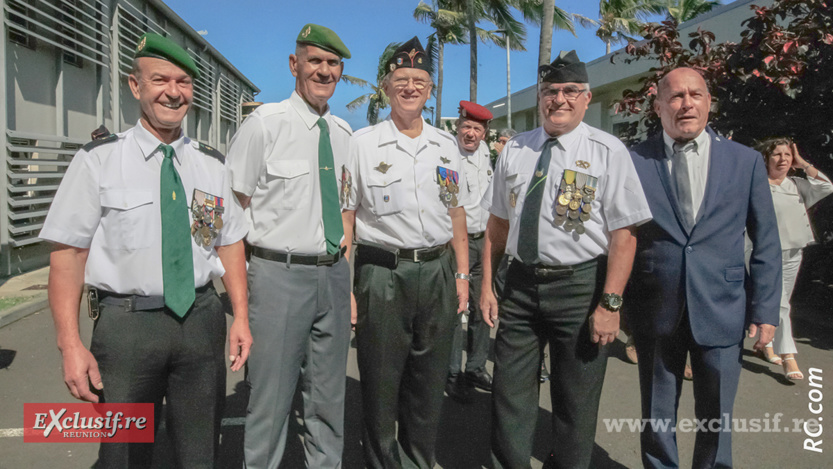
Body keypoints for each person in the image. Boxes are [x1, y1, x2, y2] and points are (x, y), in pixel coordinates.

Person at [41, 32, 251, 467]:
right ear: (136, 87)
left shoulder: (211, 164)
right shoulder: (98, 160)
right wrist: (70, 344)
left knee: (199, 452)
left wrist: (241, 319)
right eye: (160, 80)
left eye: (183, 82)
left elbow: (230, 243)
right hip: (127, 329)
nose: (173, 93)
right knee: (125, 453)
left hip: (200, 320)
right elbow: (68, 255)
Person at [480, 50, 652, 469]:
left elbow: (624, 236)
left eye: (569, 90)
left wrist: (610, 305)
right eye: (550, 91)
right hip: (519, 285)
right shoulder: (516, 149)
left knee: (575, 401)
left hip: (579, 286)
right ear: (541, 97)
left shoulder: (607, 150)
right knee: (509, 394)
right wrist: (486, 285)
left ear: (586, 98)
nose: (559, 99)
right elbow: (497, 226)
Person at [627, 67, 782, 469]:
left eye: (696, 94)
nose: (686, 104)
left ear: (709, 102)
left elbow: (766, 240)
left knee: (717, 415)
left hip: (722, 304)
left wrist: (765, 310)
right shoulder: (632, 162)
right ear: (658, 105)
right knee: (657, 412)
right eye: (676, 96)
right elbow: (619, 237)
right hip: (656, 305)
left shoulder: (745, 161)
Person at [225, 24, 353, 469]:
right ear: (294, 64)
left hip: (333, 274)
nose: (324, 70)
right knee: (271, 400)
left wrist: (346, 276)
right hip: (277, 276)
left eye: (333, 63)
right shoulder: (264, 125)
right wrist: (240, 302)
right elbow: (232, 215)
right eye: (314, 60)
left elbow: (345, 208)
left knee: (327, 399)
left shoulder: (342, 133)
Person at [342, 36, 470, 468]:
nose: (410, 87)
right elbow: (346, 217)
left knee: (429, 384)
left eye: (419, 80)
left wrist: (464, 276)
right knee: (379, 385)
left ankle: (419, 460)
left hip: (438, 270)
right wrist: (347, 288)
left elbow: (456, 214)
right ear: (385, 87)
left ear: (430, 89)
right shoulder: (361, 145)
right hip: (383, 274)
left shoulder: (445, 146)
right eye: (402, 79)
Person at [754, 138, 832, 380]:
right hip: (760, 252)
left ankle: (770, 345)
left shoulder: (797, 184)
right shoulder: (756, 185)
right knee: (774, 300)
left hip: (792, 250)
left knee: (782, 300)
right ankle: (787, 354)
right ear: (766, 158)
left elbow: (826, 187)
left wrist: (803, 163)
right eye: (777, 154)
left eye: (787, 155)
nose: (783, 159)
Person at [446, 100, 494, 403]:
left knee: (482, 307)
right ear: (457, 127)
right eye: (466, 127)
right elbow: (449, 204)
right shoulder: (447, 156)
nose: (471, 134)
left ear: (485, 133)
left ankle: (476, 367)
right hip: (456, 243)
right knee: (456, 308)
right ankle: (451, 373)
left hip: (484, 240)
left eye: (477, 128)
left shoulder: (486, 155)